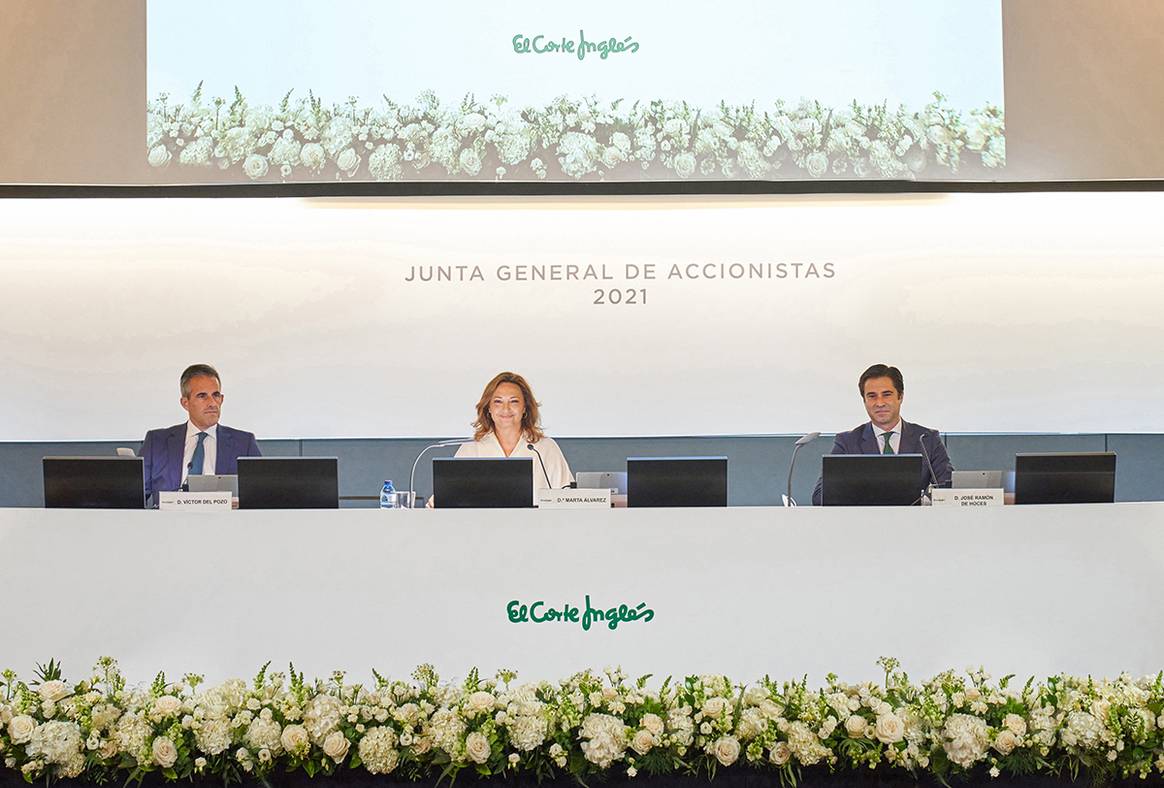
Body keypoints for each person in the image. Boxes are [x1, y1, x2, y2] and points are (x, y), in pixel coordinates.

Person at [812, 364, 953, 505]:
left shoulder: (927, 439)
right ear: (864, 401)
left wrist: (925, 501)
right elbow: (819, 497)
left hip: (914, 524)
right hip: (863, 523)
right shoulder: (847, 442)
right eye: (872, 396)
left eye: (886, 395)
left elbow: (949, 490)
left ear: (900, 396)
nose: (879, 403)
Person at [430, 372, 573, 506]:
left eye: (514, 401)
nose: (506, 409)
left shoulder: (545, 447)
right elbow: (443, 501)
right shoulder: (471, 448)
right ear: (488, 408)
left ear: (525, 408)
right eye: (498, 402)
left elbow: (568, 498)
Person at [140, 364, 261, 505]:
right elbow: (134, 496)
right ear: (185, 403)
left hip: (225, 523)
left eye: (216, 395)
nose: (212, 403)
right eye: (202, 396)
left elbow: (260, 496)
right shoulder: (157, 442)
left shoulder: (244, 443)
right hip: (169, 523)